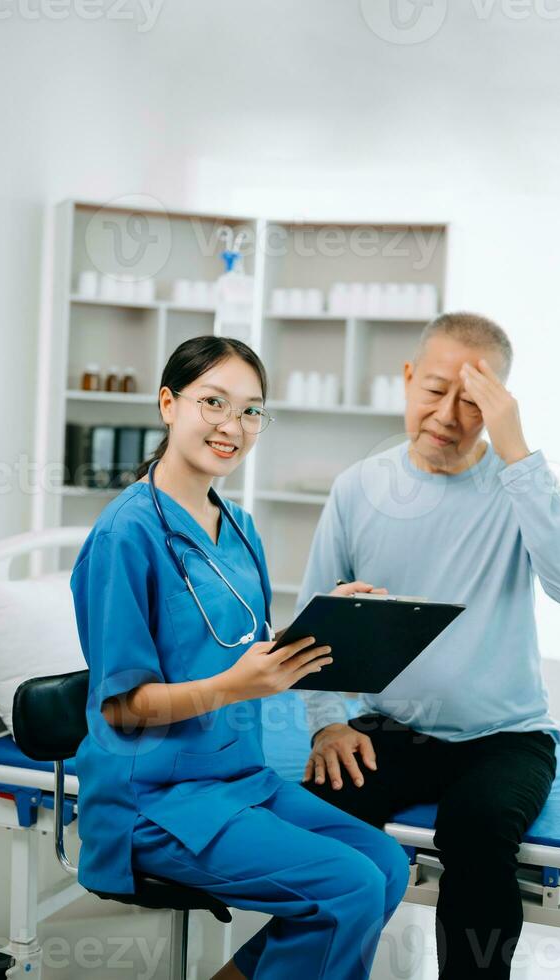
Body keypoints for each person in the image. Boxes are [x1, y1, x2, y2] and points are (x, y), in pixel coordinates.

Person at [70, 336, 410, 980]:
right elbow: (121, 706)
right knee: (347, 888)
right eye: (214, 402)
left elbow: (240, 639)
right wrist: (233, 686)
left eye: (252, 410)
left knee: (387, 866)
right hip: (155, 798)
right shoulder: (125, 535)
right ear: (169, 404)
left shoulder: (240, 527)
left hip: (236, 779)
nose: (233, 426)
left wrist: (328, 619)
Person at [298, 312, 560, 979]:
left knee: (475, 831)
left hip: (505, 736)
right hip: (393, 728)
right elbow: (311, 628)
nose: (447, 414)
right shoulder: (358, 488)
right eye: (434, 389)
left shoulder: (514, 485)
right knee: (313, 817)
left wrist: (517, 451)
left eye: (473, 400)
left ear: (496, 406)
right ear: (407, 379)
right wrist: (326, 726)